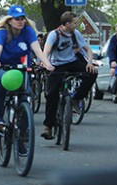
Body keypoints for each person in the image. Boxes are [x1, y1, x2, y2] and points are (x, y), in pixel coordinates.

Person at [0, 5, 54, 127]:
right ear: (9, 20)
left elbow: (37, 50)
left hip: (21, 67)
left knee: (26, 93)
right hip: (3, 66)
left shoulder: (28, 31)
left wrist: (47, 64)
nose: (21, 21)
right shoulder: (2, 32)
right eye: (17, 19)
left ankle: (24, 133)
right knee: (2, 85)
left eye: (22, 18)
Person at [41, 11, 98, 139]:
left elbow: (87, 49)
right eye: (74, 23)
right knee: (51, 94)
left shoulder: (75, 34)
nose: (76, 25)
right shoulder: (54, 35)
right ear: (67, 24)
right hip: (56, 65)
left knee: (92, 73)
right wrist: (46, 64)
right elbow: (46, 51)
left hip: (72, 62)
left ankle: (76, 98)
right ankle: (48, 127)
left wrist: (89, 63)